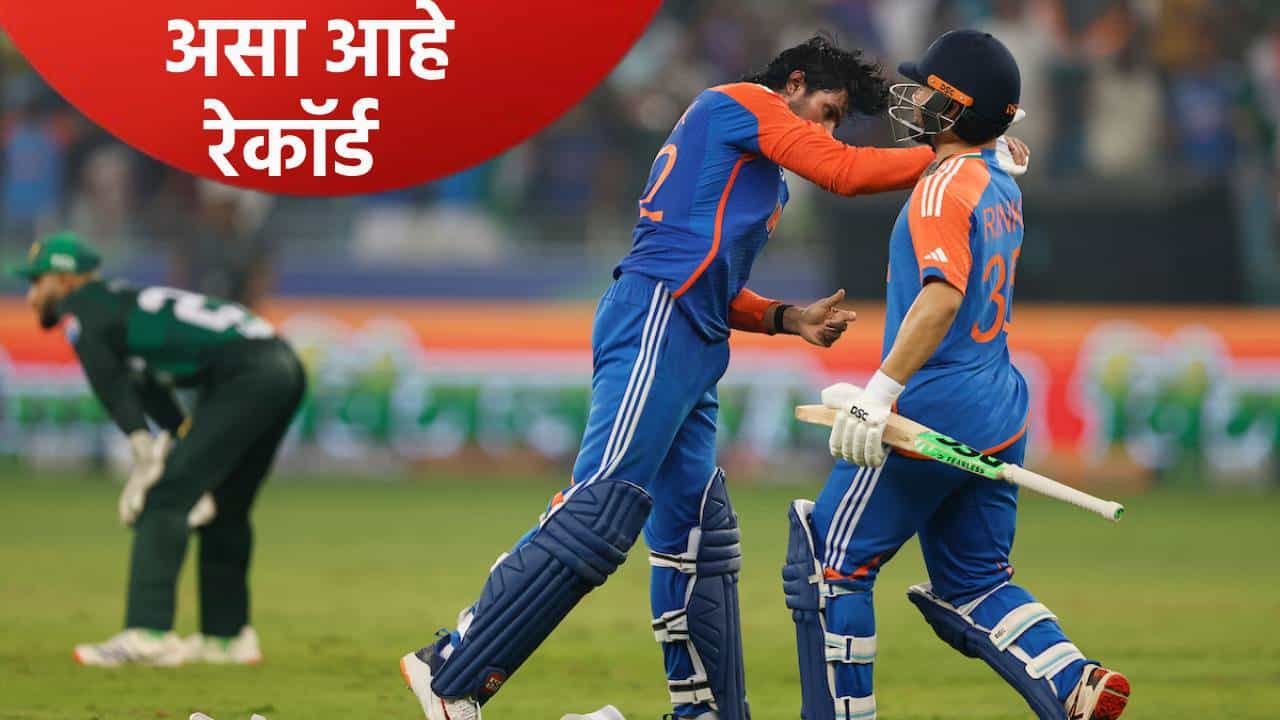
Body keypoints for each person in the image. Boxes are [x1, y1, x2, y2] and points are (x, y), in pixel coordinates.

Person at [399, 35, 1027, 720]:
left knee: (700, 535)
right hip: (656, 316)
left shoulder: (760, 173)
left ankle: (704, 713)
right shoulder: (741, 102)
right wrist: (965, 155)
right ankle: (451, 668)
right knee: (602, 507)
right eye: (827, 111)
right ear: (793, 83)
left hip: (693, 334)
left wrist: (786, 317)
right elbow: (844, 172)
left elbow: (716, 284)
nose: (826, 131)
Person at [785, 30, 1130, 720]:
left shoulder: (944, 187)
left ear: (955, 108)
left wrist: (879, 394)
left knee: (828, 564)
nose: (911, 98)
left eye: (926, 90)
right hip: (996, 401)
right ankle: (1073, 682)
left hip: (932, 407)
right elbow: (987, 158)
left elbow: (941, 297)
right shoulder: (998, 179)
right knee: (975, 582)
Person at [8, 231, 306, 666]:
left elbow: (111, 383)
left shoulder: (84, 310)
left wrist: (143, 451)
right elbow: (146, 384)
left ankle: (148, 634)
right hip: (283, 367)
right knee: (226, 504)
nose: (32, 296)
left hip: (247, 375)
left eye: (38, 282)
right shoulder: (122, 304)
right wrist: (168, 441)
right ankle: (226, 638)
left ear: (67, 280)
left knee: (166, 497)